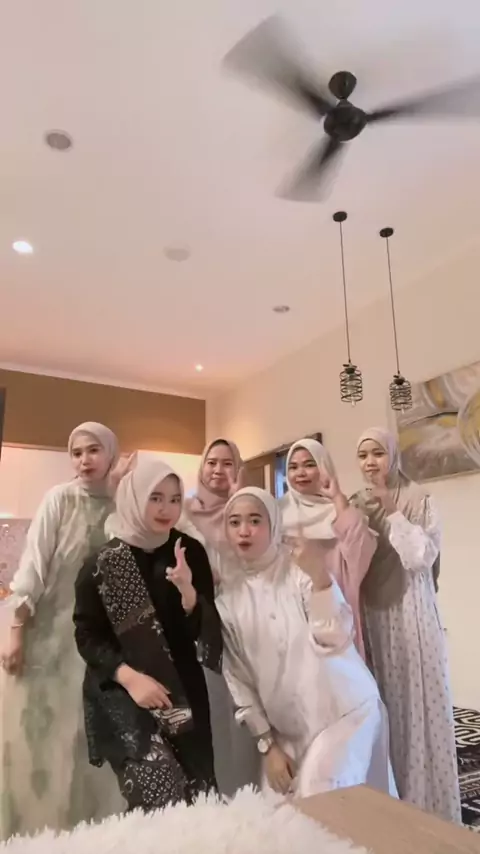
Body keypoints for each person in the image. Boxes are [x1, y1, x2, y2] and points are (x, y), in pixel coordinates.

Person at [217, 486, 396, 800]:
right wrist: (268, 746)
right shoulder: (227, 599)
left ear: (273, 524)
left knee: (322, 797)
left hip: (343, 713)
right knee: (278, 812)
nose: (244, 530)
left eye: (255, 520)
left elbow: (335, 637)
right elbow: (239, 679)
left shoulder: (298, 573)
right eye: (235, 522)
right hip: (289, 731)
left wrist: (320, 578)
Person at [73, 457, 223, 813]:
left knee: (200, 795)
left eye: (174, 499)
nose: (166, 509)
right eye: (155, 497)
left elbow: (205, 629)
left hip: (183, 690)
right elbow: (87, 634)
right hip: (125, 689)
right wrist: (130, 679)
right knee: (158, 794)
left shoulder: (188, 552)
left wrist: (188, 593)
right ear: (134, 497)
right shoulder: (102, 562)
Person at [0, 421, 123, 840]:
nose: (85, 460)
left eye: (94, 450)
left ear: (111, 453)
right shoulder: (59, 499)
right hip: (50, 638)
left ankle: (89, 837)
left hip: (100, 642)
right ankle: (34, 835)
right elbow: (33, 567)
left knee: (89, 741)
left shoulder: (123, 504)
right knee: (39, 739)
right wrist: (17, 631)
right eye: (77, 452)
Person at [353, 427, 460, 822]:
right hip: (374, 617)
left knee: (419, 705)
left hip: (411, 613)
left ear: (393, 456)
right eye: (363, 455)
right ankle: (390, 805)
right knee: (385, 705)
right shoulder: (357, 503)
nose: (370, 463)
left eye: (377, 453)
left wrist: (392, 508)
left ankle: (427, 808)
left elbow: (420, 558)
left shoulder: (418, 499)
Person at [180, 438, 259, 795]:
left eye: (227, 463)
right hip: (199, 620)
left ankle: (248, 789)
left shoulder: (248, 509)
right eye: (212, 462)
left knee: (245, 705)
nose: (218, 470)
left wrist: (239, 499)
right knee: (209, 706)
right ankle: (214, 792)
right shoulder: (184, 511)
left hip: (244, 616)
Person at [279, 438, 377, 658]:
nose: (300, 473)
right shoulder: (277, 512)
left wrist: (337, 497)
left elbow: (360, 550)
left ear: (324, 466)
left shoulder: (339, 509)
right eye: (293, 467)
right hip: (290, 613)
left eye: (309, 464)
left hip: (334, 609)